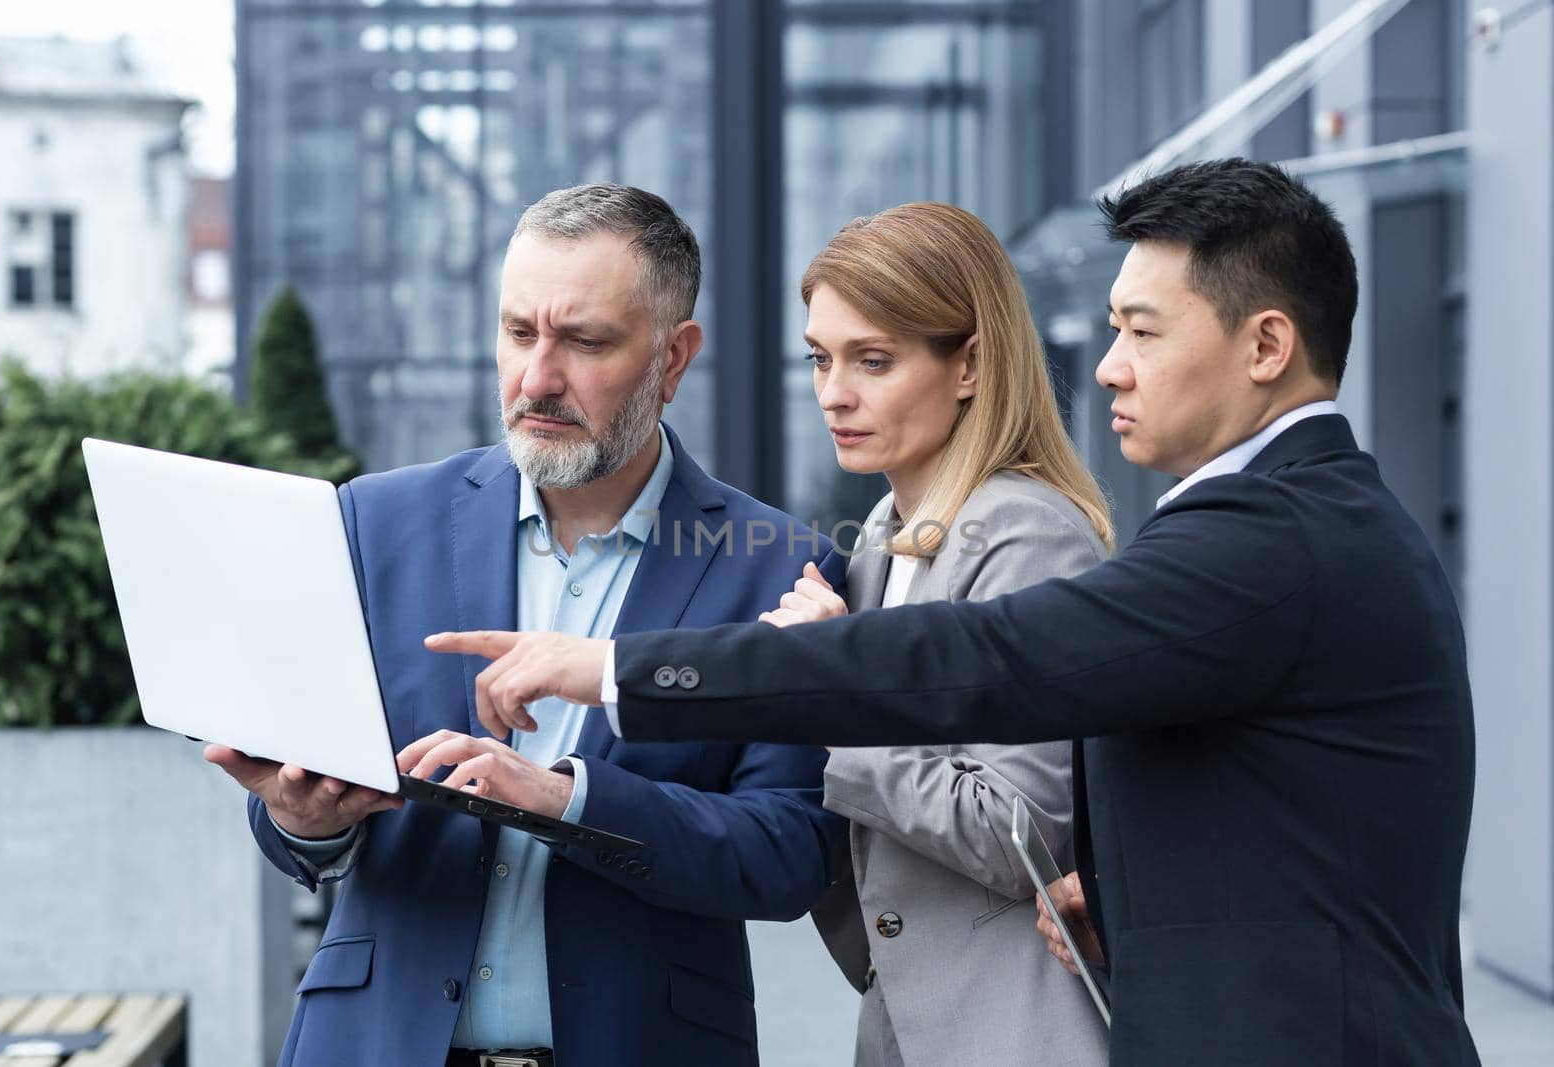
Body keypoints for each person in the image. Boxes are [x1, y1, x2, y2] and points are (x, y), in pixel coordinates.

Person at [432, 161, 1481, 1066]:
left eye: (1141, 329)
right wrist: (1108, 888)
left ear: (1263, 346)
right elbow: (1231, 795)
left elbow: (999, 669)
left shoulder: (1263, 535)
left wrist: (625, 669)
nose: (1110, 361)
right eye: (820, 357)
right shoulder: (1260, 522)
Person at [206, 184, 844, 1067]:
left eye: (583, 341)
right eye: (518, 333)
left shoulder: (775, 566)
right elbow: (301, 824)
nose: (537, 378)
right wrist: (305, 818)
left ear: (673, 357)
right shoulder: (370, 522)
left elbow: (788, 853)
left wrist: (563, 798)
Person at [757, 202, 1111, 1066]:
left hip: (1015, 1029)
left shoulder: (1028, 533)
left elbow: (1017, 827)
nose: (834, 392)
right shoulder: (883, 531)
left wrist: (835, 683)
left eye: (873, 360)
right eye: (820, 358)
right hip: (909, 1018)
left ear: (971, 365)